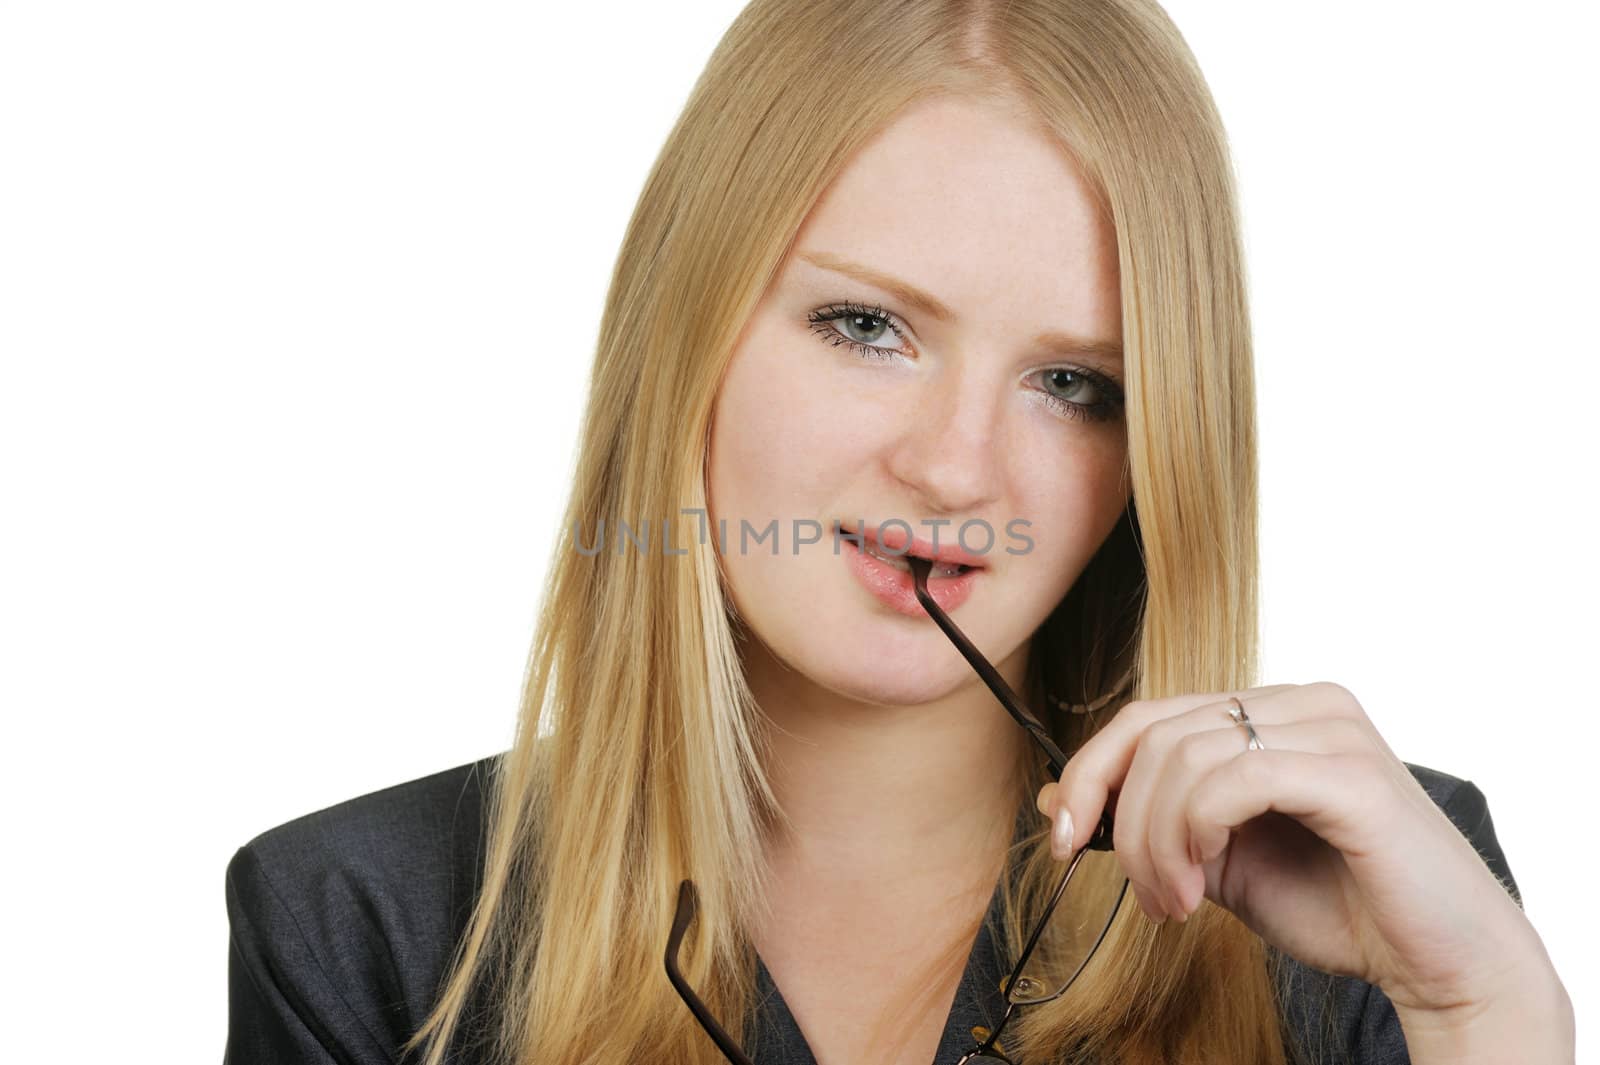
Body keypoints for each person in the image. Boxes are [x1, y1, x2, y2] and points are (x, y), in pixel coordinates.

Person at [222, 1, 1574, 1063]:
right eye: (867, 327)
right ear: (682, 330)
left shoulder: (1377, 892)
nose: (954, 465)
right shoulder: (364, 928)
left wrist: (1491, 1023)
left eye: (1074, 385)